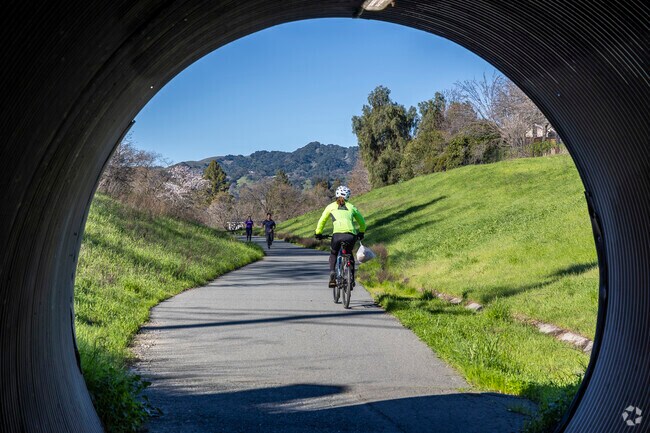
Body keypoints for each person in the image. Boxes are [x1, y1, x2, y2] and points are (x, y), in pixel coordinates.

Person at [315, 185, 366, 288]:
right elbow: (362, 221)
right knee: (349, 254)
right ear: (347, 196)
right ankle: (351, 277)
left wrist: (318, 233)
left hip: (337, 235)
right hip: (350, 235)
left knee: (334, 253)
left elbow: (322, 220)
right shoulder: (352, 207)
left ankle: (333, 272)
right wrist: (361, 232)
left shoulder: (331, 206)